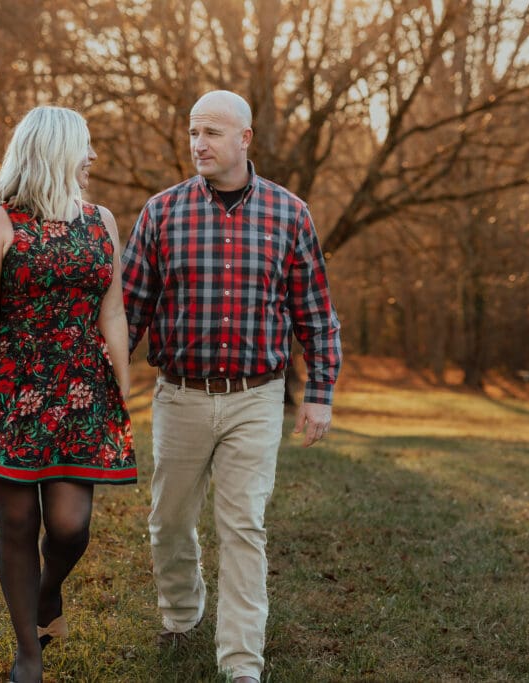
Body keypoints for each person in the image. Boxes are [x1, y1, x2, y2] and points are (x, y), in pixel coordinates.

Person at [121, 90, 342, 683]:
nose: (199, 143)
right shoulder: (162, 212)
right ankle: (181, 613)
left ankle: (242, 663)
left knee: (243, 525)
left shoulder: (289, 213)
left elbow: (315, 314)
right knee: (169, 519)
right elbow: (128, 308)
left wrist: (319, 393)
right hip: (180, 394)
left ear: (245, 139)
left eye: (213, 132)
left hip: (256, 395)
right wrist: (104, 383)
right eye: (194, 131)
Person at [0, 106, 136, 683]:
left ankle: (49, 591)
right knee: (16, 524)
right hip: (14, 387)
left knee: (70, 526)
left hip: (82, 389)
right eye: (85, 146)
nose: (93, 157)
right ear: (56, 150)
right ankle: (27, 655)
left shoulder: (100, 220)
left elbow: (114, 313)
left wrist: (123, 392)